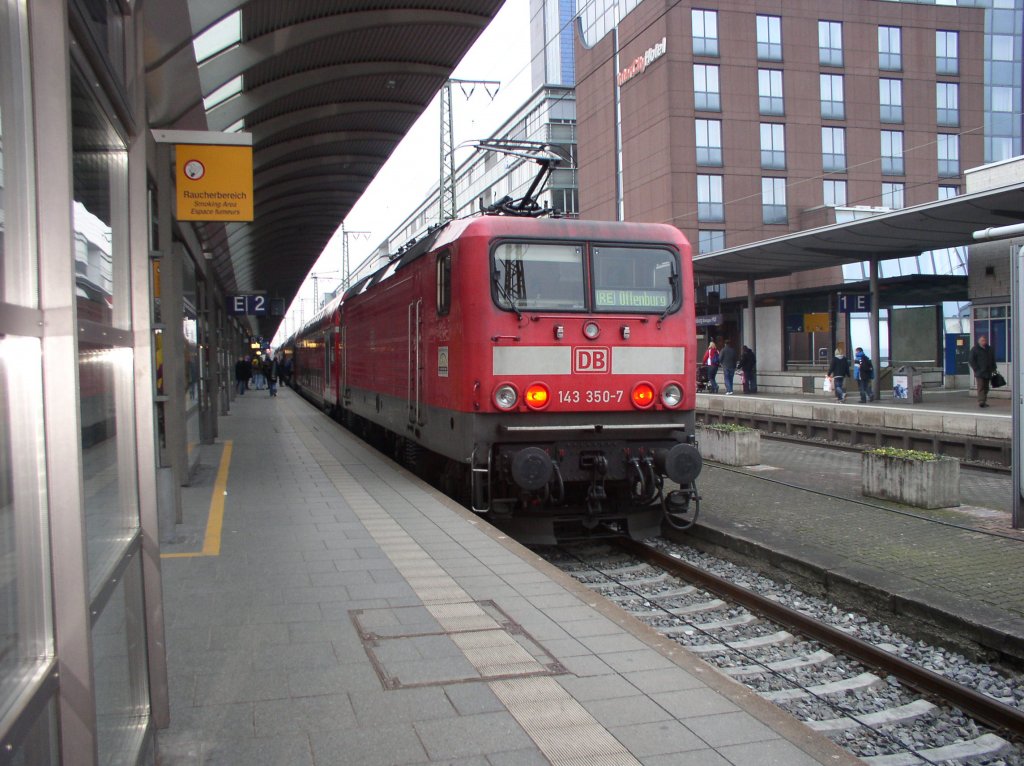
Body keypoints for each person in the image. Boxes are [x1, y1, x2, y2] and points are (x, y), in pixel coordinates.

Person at [969, 335, 997, 408]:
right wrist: (976, 369)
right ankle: (981, 401)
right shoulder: (975, 349)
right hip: (980, 372)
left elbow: (992, 359)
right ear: (979, 341)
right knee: (981, 386)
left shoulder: (989, 349)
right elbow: (971, 360)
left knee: (986, 387)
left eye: (984, 340)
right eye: (982, 340)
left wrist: (994, 368)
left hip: (988, 371)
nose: (984, 342)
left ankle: (984, 400)